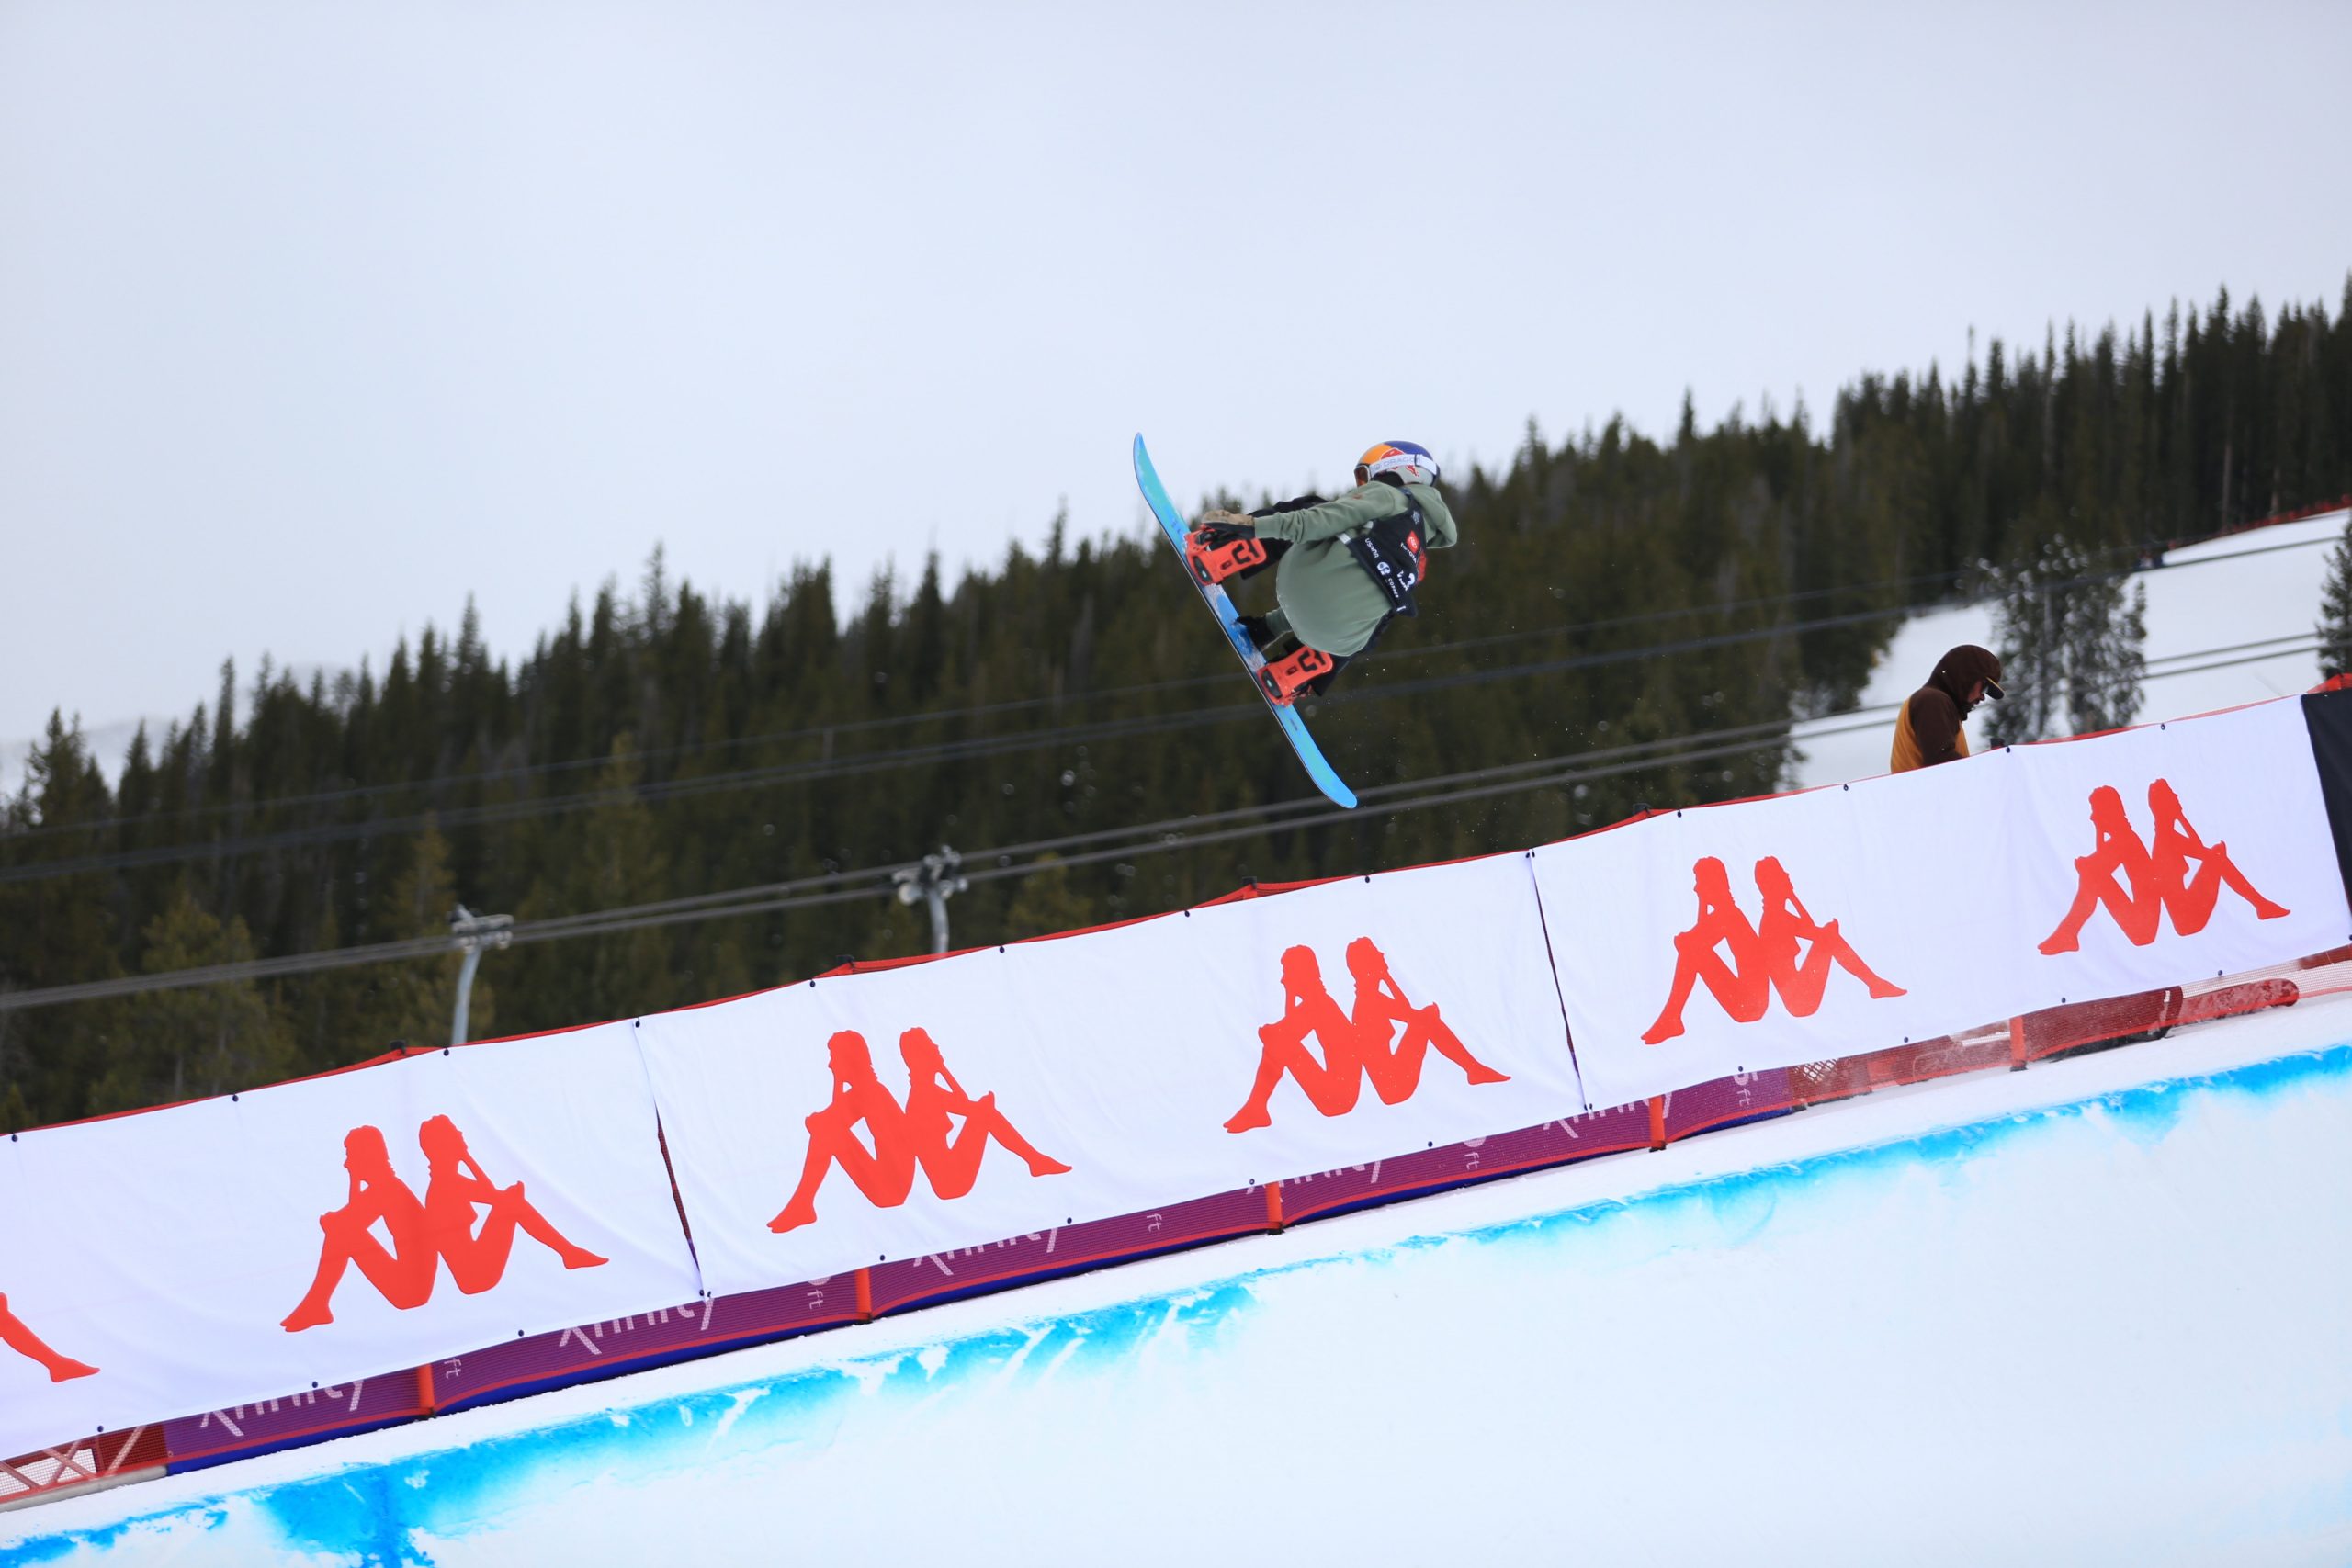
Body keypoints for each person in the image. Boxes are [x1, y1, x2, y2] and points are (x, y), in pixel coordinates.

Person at [1185, 440, 1458, 703]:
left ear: (1401, 467)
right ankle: (1293, 674)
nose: (1364, 486)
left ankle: (1221, 556)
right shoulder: (1419, 552)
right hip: (1339, 640)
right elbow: (1344, 599)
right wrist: (1272, 627)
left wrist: (1253, 525)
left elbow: (1319, 520)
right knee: (1382, 602)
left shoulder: (1389, 494)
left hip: (1302, 582)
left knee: (1314, 510)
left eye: (1366, 476)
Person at [1890, 644, 2004, 773]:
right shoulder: (1932, 700)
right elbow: (1942, 762)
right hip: (1926, 792)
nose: (1982, 697)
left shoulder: (1939, 703)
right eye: (1984, 687)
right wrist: (1987, 772)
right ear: (1967, 677)